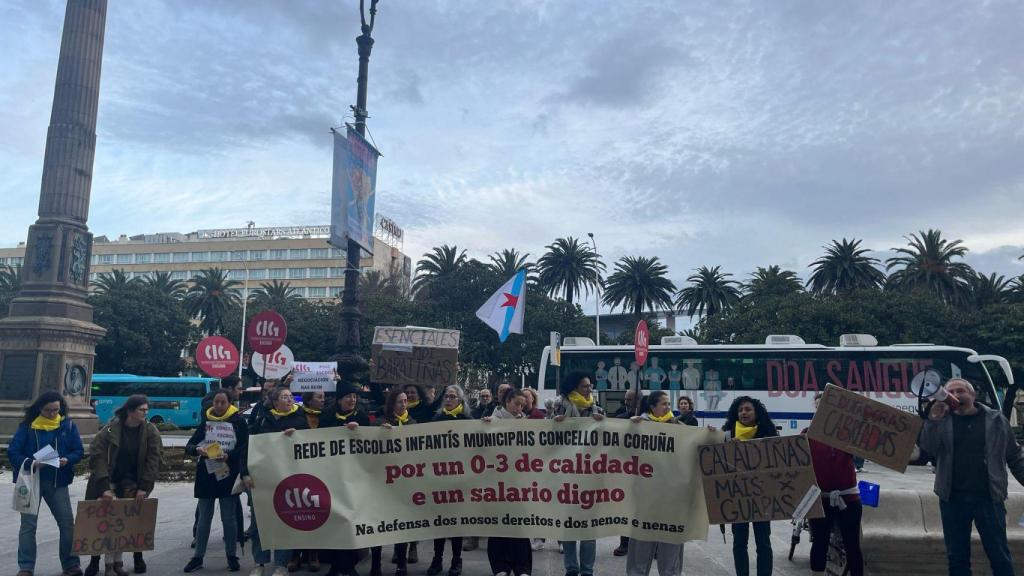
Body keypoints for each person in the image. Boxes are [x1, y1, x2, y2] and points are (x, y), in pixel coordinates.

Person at [919, 378, 1024, 576]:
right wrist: (933, 421)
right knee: (957, 557)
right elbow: (928, 448)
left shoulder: (995, 419)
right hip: (953, 499)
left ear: (973, 395)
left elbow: (1014, 455)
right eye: (951, 392)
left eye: (961, 390)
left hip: (989, 498)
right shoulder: (942, 420)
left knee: (999, 555)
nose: (956, 395)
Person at [8, 391, 85, 576]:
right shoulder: (28, 427)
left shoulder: (67, 425)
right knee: (28, 526)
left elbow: (78, 450)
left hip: (57, 481)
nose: (52, 414)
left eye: (56, 410)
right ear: (39, 409)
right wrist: (31, 463)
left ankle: (71, 564)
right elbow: (13, 452)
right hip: (31, 480)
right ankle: (26, 567)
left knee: (67, 523)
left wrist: (68, 459)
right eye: (48, 410)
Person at [85, 394, 163, 576]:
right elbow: (97, 455)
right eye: (142, 410)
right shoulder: (111, 429)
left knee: (130, 522)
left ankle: (132, 559)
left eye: (146, 409)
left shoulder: (150, 431)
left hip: (133, 482)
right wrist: (104, 486)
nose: (146, 412)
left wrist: (144, 487)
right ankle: (95, 562)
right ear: (130, 411)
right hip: (109, 479)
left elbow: (154, 459)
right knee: (102, 521)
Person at [243, 386, 308, 576]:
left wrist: (296, 437)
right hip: (262, 479)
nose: (289, 400)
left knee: (284, 521)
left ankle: (281, 564)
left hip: (287, 479)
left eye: (290, 397)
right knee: (259, 523)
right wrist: (244, 473)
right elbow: (248, 447)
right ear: (275, 402)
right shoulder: (263, 419)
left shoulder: (300, 419)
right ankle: (259, 563)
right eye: (284, 397)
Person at [184, 389, 249, 573]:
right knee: (204, 518)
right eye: (216, 402)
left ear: (229, 403)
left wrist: (229, 456)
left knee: (228, 519)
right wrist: (197, 450)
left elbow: (245, 448)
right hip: (207, 474)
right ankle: (198, 556)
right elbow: (190, 445)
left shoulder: (238, 422)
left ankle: (231, 555)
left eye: (222, 402)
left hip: (227, 475)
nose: (219, 406)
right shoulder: (206, 422)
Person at [626, 391, 686, 576]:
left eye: (669, 404)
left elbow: (696, 443)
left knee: (671, 546)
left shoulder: (679, 426)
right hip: (645, 498)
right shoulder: (638, 424)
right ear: (652, 407)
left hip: (672, 498)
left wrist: (710, 434)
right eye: (664, 404)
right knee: (641, 547)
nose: (668, 407)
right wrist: (631, 427)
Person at [549, 372, 604, 576]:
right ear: (574, 389)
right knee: (569, 526)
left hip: (591, 476)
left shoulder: (597, 409)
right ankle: (571, 569)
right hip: (566, 476)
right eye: (584, 386)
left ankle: (587, 571)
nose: (589, 390)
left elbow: (607, 440)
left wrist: (603, 423)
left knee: (589, 528)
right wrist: (554, 423)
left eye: (590, 386)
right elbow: (545, 438)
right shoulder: (561, 407)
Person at [804, 392, 863, 576]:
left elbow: (863, 454)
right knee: (820, 543)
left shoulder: (850, 435)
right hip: (821, 499)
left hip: (849, 498)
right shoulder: (807, 435)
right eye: (819, 406)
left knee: (852, 544)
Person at [721, 396, 777, 576]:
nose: (744, 413)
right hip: (737, 496)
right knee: (739, 543)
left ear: (756, 412)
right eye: (740, 410)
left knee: (763, 543)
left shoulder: (768, 432)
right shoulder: (728, 434)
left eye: (747, 409)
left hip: (762, 496)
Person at [322, 383, 371, 576]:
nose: (352, 400)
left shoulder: (361, 417)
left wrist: (359, 431)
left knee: (352, 523)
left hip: (354, 478)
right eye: (348, 396)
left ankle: (349, 565)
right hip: (333, 477)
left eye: (354, 396)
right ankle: (335, 564)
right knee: (334, 523)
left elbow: (370, 443)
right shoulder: (327, 417)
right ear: (339, 399)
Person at [483, 388, 534, 576]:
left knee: (519, 525)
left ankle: (522, 567)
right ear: (507, 402)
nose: (519, 408)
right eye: (516, 403)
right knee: (498, 525)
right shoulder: (492, 420)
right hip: (496, 484)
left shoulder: (525, 423)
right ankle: (500, 567)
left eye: (522, 405)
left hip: (518, 484)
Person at [375, 388, 417, 576]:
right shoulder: (380, 423)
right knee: (378, 524)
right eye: (400, 401)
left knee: (402, 525)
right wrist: (379, 433)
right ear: (392, 404)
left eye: (406, 401)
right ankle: (376, 564)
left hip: (404, 481)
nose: (404, 404)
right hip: (382, 482)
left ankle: (401, 563)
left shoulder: (413, 424)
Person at [428, 385, 469, 576]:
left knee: (456, 524)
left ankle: (456, 560)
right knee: (440, 523)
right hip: (440, 479)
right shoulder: (436, 420)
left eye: (453, 397)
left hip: (460, 480)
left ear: (460, 400)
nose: (449, 399)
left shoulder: (468, 421)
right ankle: (437, 559)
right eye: (447, 396)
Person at [611, 388, 640, 557]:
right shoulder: (622, 415)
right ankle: (625, 543)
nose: (627, 403)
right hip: (626, 471)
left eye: (630, 400)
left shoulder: (647, 418)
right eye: (626, 400)